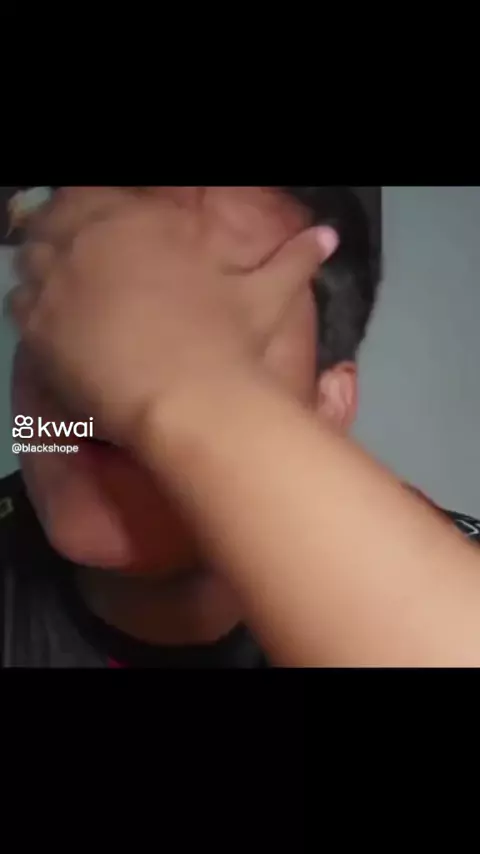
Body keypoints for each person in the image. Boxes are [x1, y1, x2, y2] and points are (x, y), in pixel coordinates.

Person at [2, 186, 480, 668]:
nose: (101, 362)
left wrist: (181, 397)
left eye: (203, 315)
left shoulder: (447, 571)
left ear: (328, 404)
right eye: (82, 304)